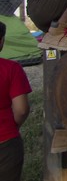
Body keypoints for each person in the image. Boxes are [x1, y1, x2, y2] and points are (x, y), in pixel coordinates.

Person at [0, 22, 31, 181]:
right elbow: (22, 109)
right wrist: (12, 127)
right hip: (6, 142)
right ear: (2, 41)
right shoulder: (12, 68)